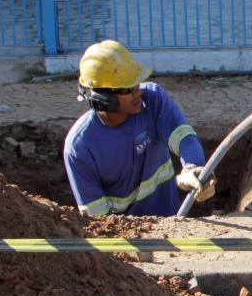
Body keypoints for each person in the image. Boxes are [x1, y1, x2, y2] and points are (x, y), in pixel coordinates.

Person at [63, 40, 217, 217]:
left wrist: (192, 167)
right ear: (103, 98)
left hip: (172, 226)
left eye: (137, 83)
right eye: (128, 88)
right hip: (127, 239)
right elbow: (97, 217)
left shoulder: (152, 100)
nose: (138, 92)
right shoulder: (80, 146)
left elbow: (183, 136)